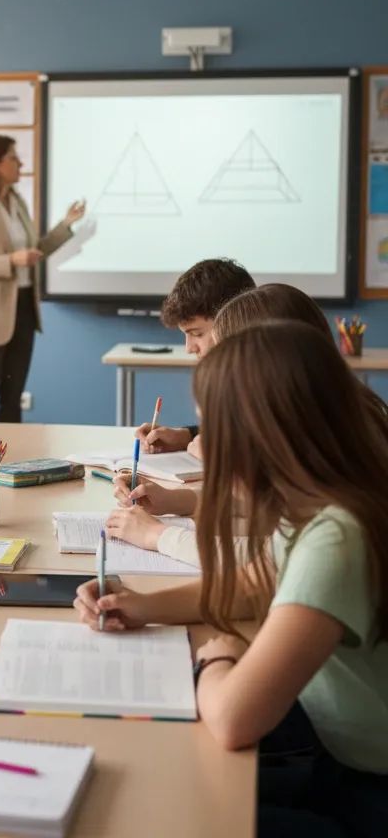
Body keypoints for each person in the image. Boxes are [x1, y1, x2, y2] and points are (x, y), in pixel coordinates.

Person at [76, 322, 388, 836]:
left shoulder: (335, 537)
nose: (204, 446)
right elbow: (251, 586)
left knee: (163, 813)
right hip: (339, 757)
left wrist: (216, 657)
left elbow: (233, 718)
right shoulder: (317, 504)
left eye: (211, 428)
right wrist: (137, 604)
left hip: (367, 792)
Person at [109, 284, 333, 564]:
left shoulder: (331, 441)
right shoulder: (317, 415)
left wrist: (159, 536)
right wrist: (175, 500)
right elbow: (270, 504)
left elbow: (271, 561)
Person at [0, 134, 85, 422]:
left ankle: (9, 466)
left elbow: (33, 251)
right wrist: (11, 260)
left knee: (13, 398)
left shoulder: (17, 203)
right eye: (13, 157)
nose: (20, 163)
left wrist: (66, 225)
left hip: (23, 308)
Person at [136, 257, 255, 455]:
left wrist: (219, 454)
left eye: (197, 334)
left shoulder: (272, 375)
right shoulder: (231, 373)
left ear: (233, 322)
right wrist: (187, 436)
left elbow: (275, 453)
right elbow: (240, 433)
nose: (189, 348)